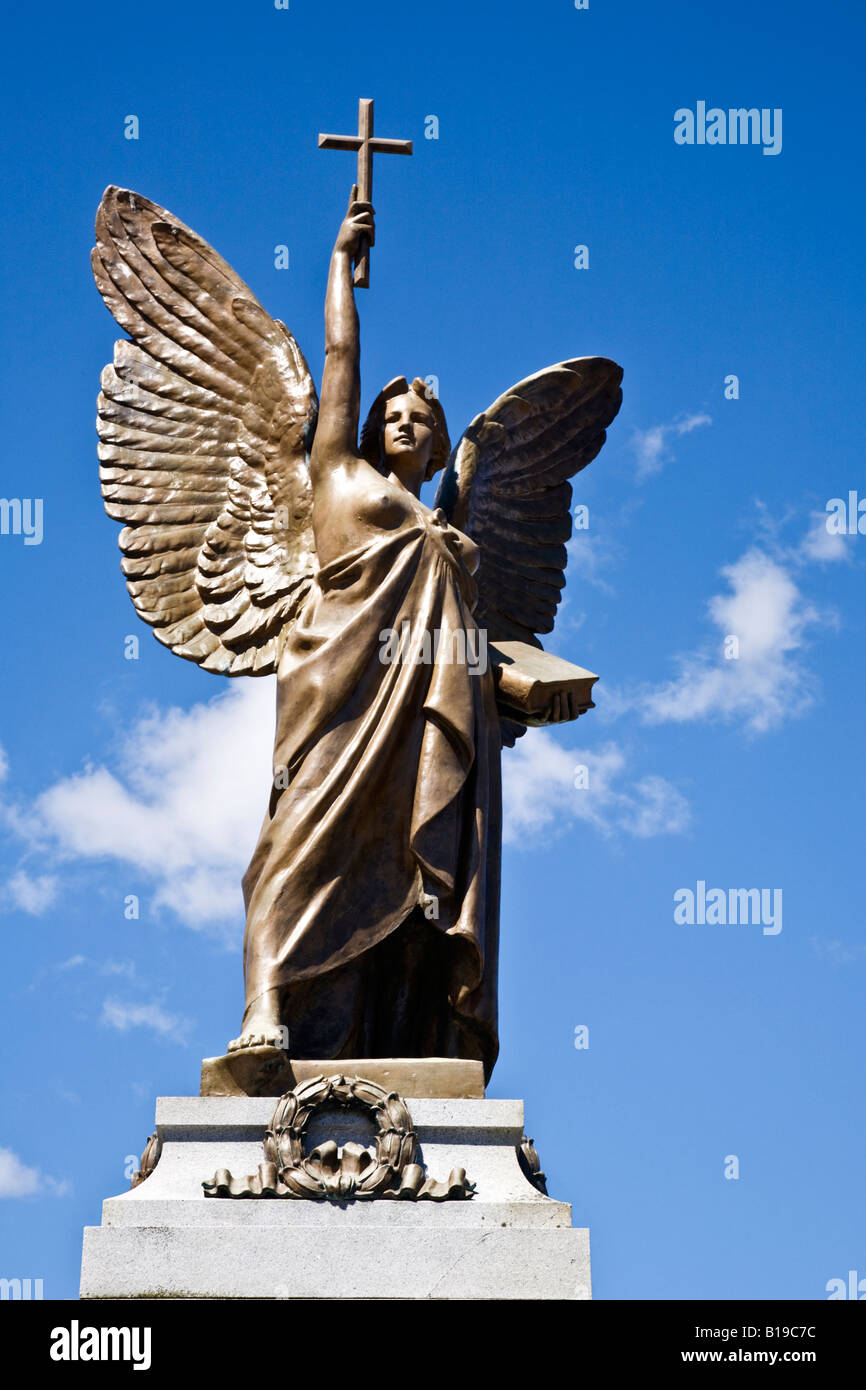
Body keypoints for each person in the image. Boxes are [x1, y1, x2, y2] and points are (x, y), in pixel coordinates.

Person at [229, 191, 502, 1080]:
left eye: (422, 419)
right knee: (300, 838)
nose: (405, 422)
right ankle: (263, 1004)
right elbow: (342, 356)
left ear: (438, 443)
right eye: (394, 412)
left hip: (422, 713)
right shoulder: (339, 477)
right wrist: (341, 262)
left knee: (402, 866)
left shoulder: (446, 528)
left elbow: (474, 644)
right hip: (336, 693)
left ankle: (390, 1038)